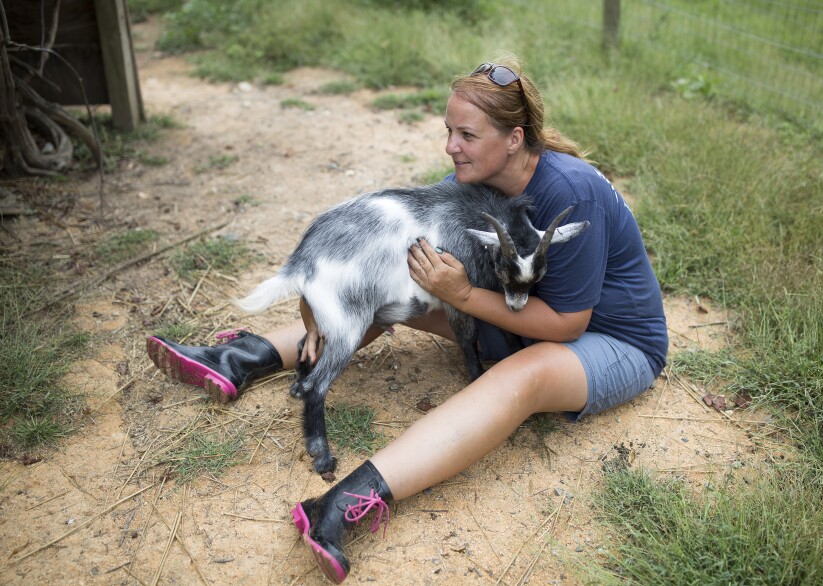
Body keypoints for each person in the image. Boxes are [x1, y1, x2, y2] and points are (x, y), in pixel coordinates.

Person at [147, 56, 667, 583]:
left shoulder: (569, 192)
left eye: (467, 134)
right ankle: (242, 357)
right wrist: (330, 297)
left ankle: (344, 503)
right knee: (390, 288)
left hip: (612, 340)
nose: (450, 146)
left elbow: (567, 325)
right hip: (515, 320)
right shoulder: (473, 182)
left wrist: (460, 294)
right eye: (448, 131)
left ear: (514, 138)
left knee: (524, 376)